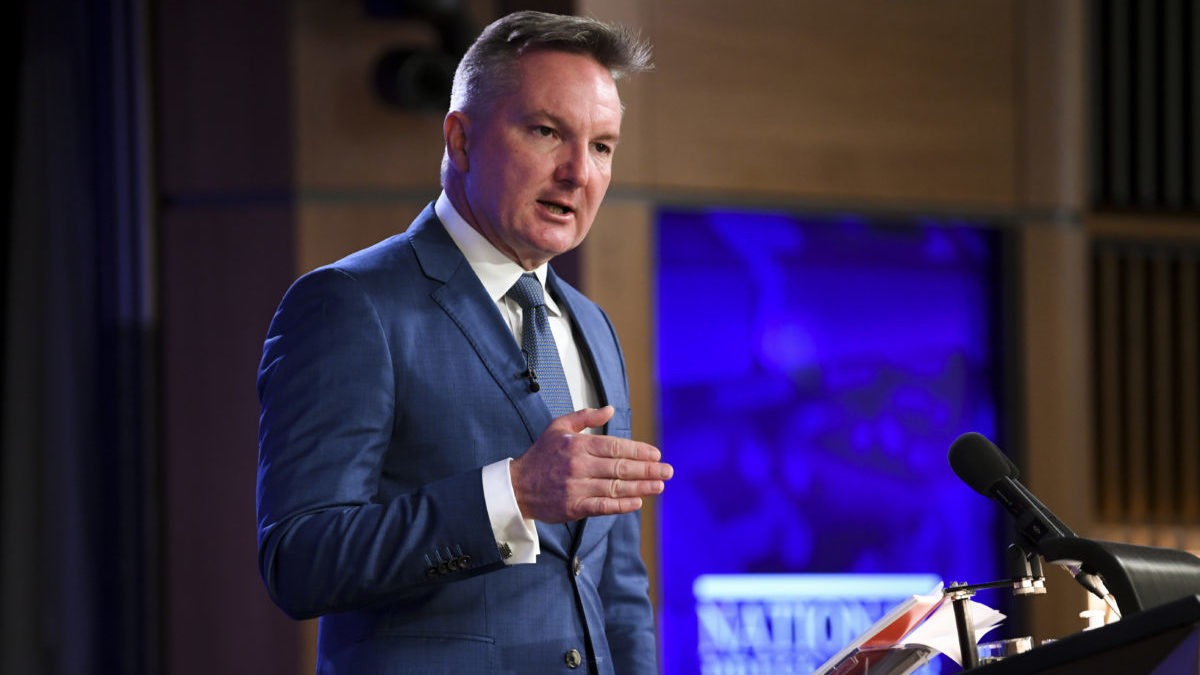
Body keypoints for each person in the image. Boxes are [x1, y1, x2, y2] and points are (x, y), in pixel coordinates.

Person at [256, 10, 673, 674]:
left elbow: (616, 589)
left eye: (601, 146)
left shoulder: (593, 325)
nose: (578, 173)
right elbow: (300, 559)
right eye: (546, 131)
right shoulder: (349, 304)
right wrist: (509, 494)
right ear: (461, 140)